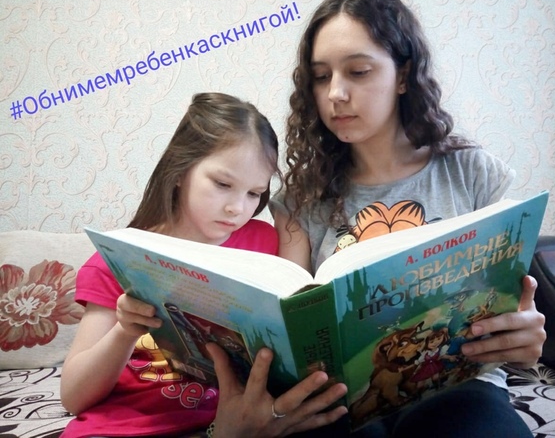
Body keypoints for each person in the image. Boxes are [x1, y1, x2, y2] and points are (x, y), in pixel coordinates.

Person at [270, 0, 546, 437]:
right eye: (320, 77)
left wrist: (525, 337)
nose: (335, 93)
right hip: (342, 404)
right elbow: (291, 327)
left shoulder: (470, 173)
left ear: (403, 75)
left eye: (358, 71)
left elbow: (509, 306)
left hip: (459, 388)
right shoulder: (303, 197)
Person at [60, 92, 348, 438]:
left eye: (254, 193)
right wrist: (125, 331)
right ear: (180, 171)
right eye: (223, 184)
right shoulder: (118, 259)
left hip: (235, 423)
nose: (237, 208)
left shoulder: (264, 242)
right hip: (123, 427)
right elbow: (74, 396)